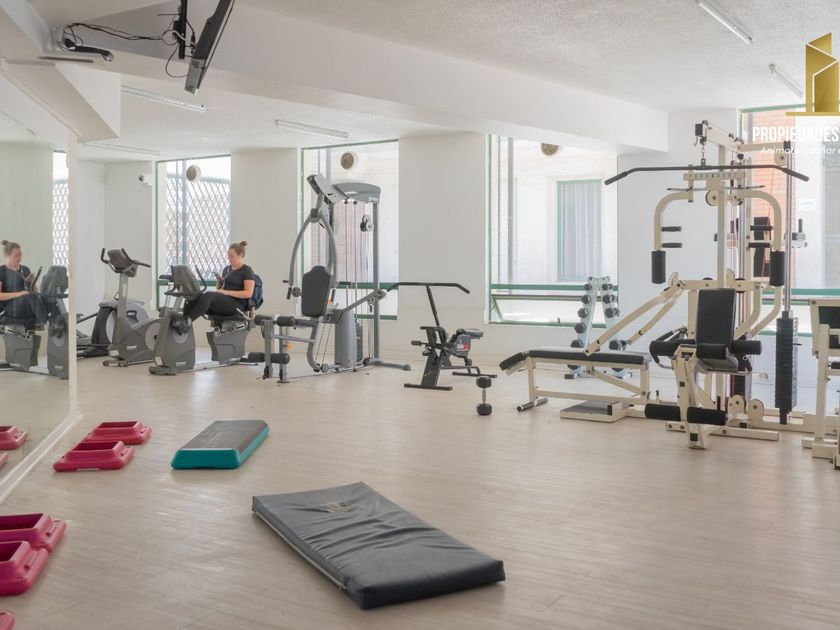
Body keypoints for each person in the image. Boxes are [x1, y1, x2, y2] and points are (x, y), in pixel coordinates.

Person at [178, 241, 256, 333]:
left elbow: (248, 293)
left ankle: (186, 323)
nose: (229, 258)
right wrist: (219, 281)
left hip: (237, 305)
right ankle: (182, 322)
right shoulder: (227, 269)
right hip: (225, 302)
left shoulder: (247, 271)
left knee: (208, 295)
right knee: (192, 297)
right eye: (228, 255)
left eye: (231, 256)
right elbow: (220, 290)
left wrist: (227, 292)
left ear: (240, 255)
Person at [0, 240, 49, 330]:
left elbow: (34, 291)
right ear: (7, 255)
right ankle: (43, 322)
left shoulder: (25, 269)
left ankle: (46, 322)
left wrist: (31, 283)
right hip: (9, 306)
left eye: (20, 255)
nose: (19, 258)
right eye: (16, 255)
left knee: (42, 297)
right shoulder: (1, 271)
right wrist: (18, 294)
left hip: (25, 303)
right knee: (30, 297)